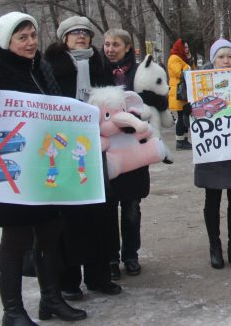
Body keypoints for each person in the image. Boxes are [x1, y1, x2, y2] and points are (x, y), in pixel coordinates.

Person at [0, 12, 87, 324]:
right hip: (13, 174)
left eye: (33, 36)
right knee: (15, 241)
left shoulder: (42, 69)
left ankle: (51, 299)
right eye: (22, 37)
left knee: (49, 236)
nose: (30, 43)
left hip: (45, 169)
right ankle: (12, 312)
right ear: (6, 41)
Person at [44, 16, 121, 300]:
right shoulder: (50, 65)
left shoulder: (100, 64)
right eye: (75, 32)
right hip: (63, 149)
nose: (81, 36)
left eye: (85, 33)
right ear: (64, 37)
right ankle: (69, 280)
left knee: (101, 213)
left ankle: (99, 276)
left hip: (96, 147)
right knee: (70, 217)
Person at [196, 39, 231, 270]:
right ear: (213, 60)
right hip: (211, 150)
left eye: (230, 56)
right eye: (221, 57)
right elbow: (190, 118)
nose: (226, 61)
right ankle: (215, 247)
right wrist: (189, 109)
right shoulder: (199, 84)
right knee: (212, 199)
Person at [102, 29, 147, 279]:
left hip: (133, 149)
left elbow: (151, 103)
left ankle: (131, 255)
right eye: (107, 44)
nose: (110, 49)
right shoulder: (98, 71)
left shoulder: (139, 73)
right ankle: (110, 257)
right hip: (107, 149)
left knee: (131, 206)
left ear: (128, 47)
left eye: (116, 45)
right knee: (107, 208)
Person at [168, 38, 192, 150]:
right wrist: (188, 65)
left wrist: (189, 61)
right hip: (178, 93)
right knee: (181, 117)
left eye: (187, 47)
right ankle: (180, 141)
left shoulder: (182, 58)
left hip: (183, 92)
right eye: (185, 47)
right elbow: (180, 73)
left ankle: (185, 140)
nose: (187, 49)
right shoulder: (174, 58)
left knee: (185, 116)